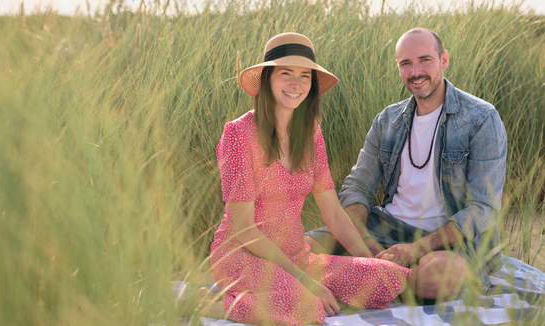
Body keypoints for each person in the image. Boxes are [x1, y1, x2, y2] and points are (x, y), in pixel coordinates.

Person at [202, 33, 412, 325]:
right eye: (285, 73)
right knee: (306, 307)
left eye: (305, 76)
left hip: (296, 257)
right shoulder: (239, 134)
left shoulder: (311, 133)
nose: (296, 83)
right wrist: (303, 280)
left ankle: (288, 296)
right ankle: (211, 303)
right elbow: (245, 230)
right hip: (244, 258)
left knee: (388, 279)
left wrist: (368, 257)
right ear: (266, 79)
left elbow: (334, 214)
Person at [305, 27, 507, 301]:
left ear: (443, 60)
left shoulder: (482, 119)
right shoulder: (387, 120)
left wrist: (418, 248)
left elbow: (483, 208)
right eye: (405, 63)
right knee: (301, 248)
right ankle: (381, 277)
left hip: (447, 241)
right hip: (386, 227)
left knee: (439, 279)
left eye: (425, 60)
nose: (415, 72)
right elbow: (356, 187)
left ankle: (367, 281)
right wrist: (364, 239)